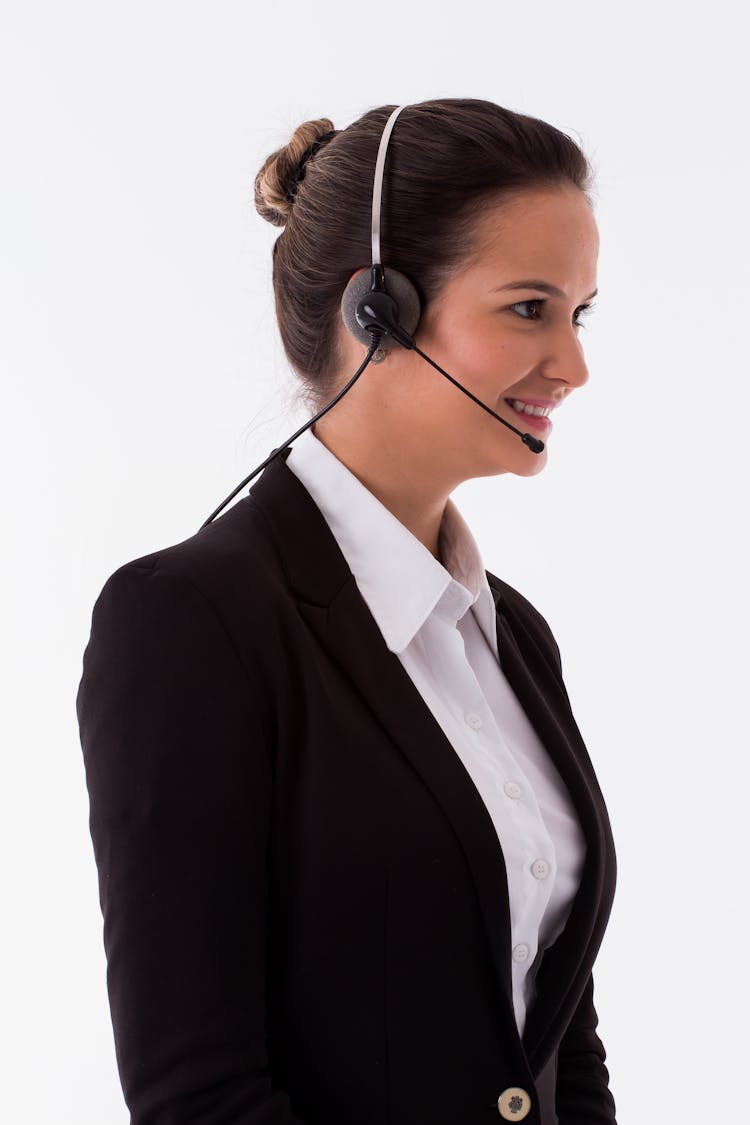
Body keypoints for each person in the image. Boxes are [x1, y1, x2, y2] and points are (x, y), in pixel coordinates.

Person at [76, 97, 618, 1125]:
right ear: (379, 310)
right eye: (529, 309)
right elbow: (200, 1095)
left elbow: (557, 1032)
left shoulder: (514, 639)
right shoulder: (192, 622)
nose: (574, 366)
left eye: (579, 315)